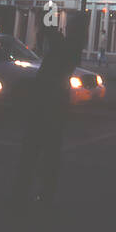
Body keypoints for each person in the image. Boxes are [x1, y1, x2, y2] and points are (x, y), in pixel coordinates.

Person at [13, 13, 88, 206]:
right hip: (55, 106)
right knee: (49, 155)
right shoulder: (72, 47)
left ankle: (24, 195)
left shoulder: (65, 47)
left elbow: (50, 35)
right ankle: (43, 195)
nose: (68, 27)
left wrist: (48, 17)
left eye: (70, 25)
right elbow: (51, 37)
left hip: (46, 104)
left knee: (32, 152)